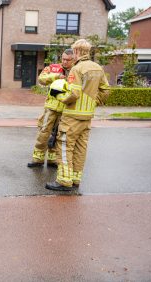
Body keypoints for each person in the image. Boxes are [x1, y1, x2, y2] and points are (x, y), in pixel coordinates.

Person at [45, 39, 110, 191]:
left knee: (65, 147)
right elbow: (106, 90)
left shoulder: (77, 69)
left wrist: (61, 98)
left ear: (76, 52)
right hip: (87, 116)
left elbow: (74, 93)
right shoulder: (97, 68)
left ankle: (64, 180)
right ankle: (75, 178)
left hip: (72, 116)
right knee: (81, 149)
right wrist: (93, 102)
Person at [27, 49, 74, 168]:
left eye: (68, 60)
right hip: (51, 107)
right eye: (63, 59)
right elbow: (41, 79)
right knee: (44, 132)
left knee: (59, 134)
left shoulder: (76, 71)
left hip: (66, 109)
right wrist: (56, 76)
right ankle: (38, 159)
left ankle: (53, 159)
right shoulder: (53, 68)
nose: (65, 62)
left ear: (73, 60)